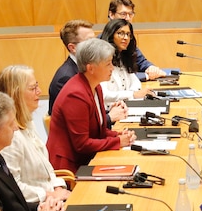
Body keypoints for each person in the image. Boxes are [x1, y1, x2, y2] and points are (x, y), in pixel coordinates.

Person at [47, 38, 136, 173]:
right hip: (69, 166)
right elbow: (82, 144)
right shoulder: (75, 95)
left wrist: (116, 134)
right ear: (90, 68)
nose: (112, 68)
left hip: (87, 157)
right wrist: (118, 141)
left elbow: (95, 131)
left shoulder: (96, 87)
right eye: (108, 64)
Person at [0, 65, 71, 203]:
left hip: (53, 198)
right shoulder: (9, 137)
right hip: (37, 207)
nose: (39, 91)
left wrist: (58, 187)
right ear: (16, 95)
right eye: (32, 88)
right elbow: (14, 187)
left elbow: (47, 169)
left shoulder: (28, 122)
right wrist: (49, 194)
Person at [107, 0, 165, 81]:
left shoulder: (128, 40)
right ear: (111, 14)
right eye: (123, 14)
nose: (127, 18)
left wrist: (151, 68)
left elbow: (141, 61)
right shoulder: (102, 43)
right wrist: (146, 76)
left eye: (130, 14)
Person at [99, 19, 155, 101]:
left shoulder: (124, 57)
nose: (125, 38)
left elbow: (135, 82)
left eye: (128, 34)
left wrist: (135, 93)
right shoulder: (101, 60)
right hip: (109, 110)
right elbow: (103, 94)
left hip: (126, 106)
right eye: (120, 33)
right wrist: (132, 94)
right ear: (110, 35)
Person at [48, 19, 96, 114]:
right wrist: (110, 117)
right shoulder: (65, 78)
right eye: (89, 41)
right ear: (72, 48)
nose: (96, 45)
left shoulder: (86, 68)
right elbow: (77, 116)